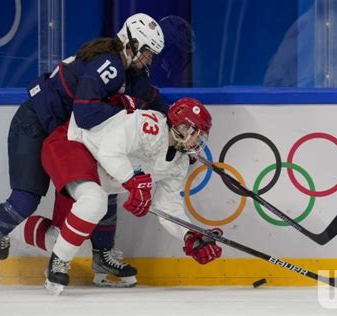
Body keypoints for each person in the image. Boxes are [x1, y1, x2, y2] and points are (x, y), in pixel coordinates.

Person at [0, 13, 168, 292]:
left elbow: (153, 99)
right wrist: (127, 107)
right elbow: (86, 114)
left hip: (64, 133)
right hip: (36, 125)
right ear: (131, 43)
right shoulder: (108, 64)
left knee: (107, 180)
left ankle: (101, 256)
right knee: (25, 199)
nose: (149, 59)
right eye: (147, 51)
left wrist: (180, 124)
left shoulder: (129, 69)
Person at [38, 97, 223, 295]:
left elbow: (168, 208)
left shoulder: (179, 163)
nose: (198, 141)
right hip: (72, 144)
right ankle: (57, 264)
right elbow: (109, 151)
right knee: (95, 203)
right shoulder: (148, 124)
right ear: (182, 127)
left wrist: (190, 234)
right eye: (196, 133)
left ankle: (15, 231)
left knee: (58, 234)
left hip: (95, 173)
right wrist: (131, 180)